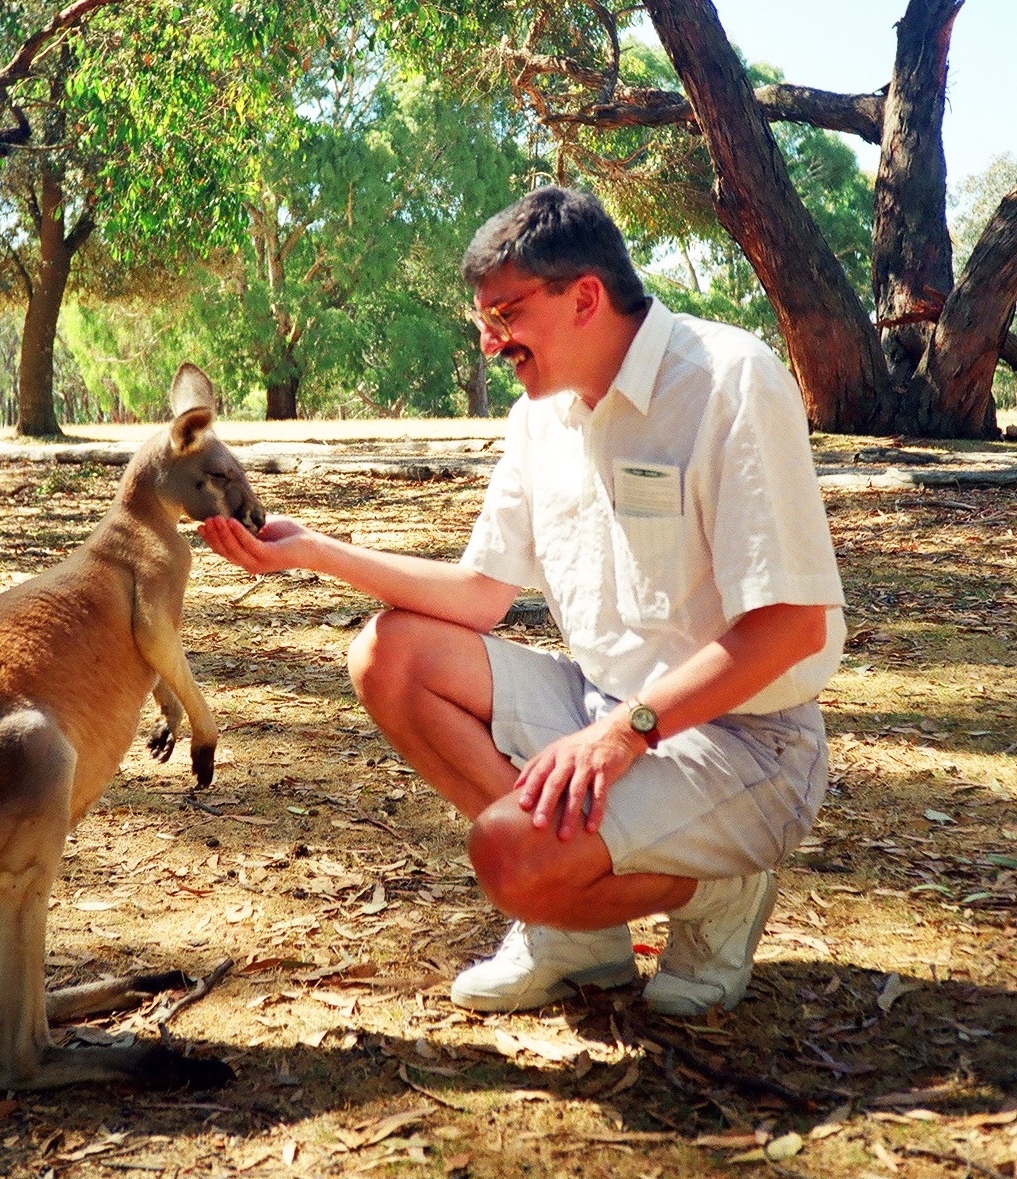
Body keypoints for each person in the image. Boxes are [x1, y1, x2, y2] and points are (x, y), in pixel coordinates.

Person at [199, 185, 845, 1017]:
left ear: (584, 296)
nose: (488, 338)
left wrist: (624, 732)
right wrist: (312, 553)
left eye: (503, 313)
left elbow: (791, 626)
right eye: (481, 319)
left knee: (509, 858)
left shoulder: (727, 380)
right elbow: (479, 595)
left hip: (747, 745)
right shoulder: (540, 417)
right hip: (603, 709)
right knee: (388, 654)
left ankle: (715, 894)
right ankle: (579, 934)